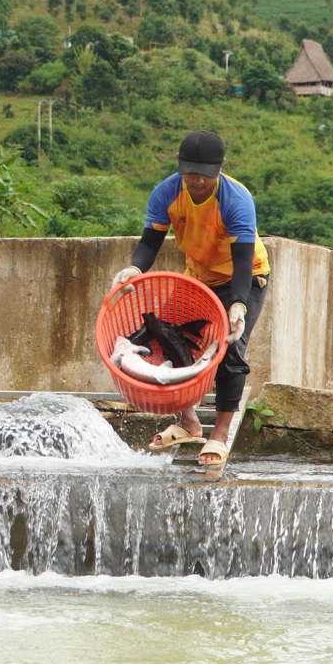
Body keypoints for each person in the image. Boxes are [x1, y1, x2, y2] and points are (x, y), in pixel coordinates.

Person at [110, 130, 268, 473]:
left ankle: (220, 434)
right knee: (167, 338)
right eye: (190, 172)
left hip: (243, 277)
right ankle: (189, 423)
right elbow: (150, 241)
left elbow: (243, 261)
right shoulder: (167, 192)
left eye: (205, 174)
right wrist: (134, 268)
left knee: (230, 347)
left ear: (221, 167)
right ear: (179, 165)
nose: (196, 180)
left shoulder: (236, 199)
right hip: (198, 276)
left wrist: (239, 303)